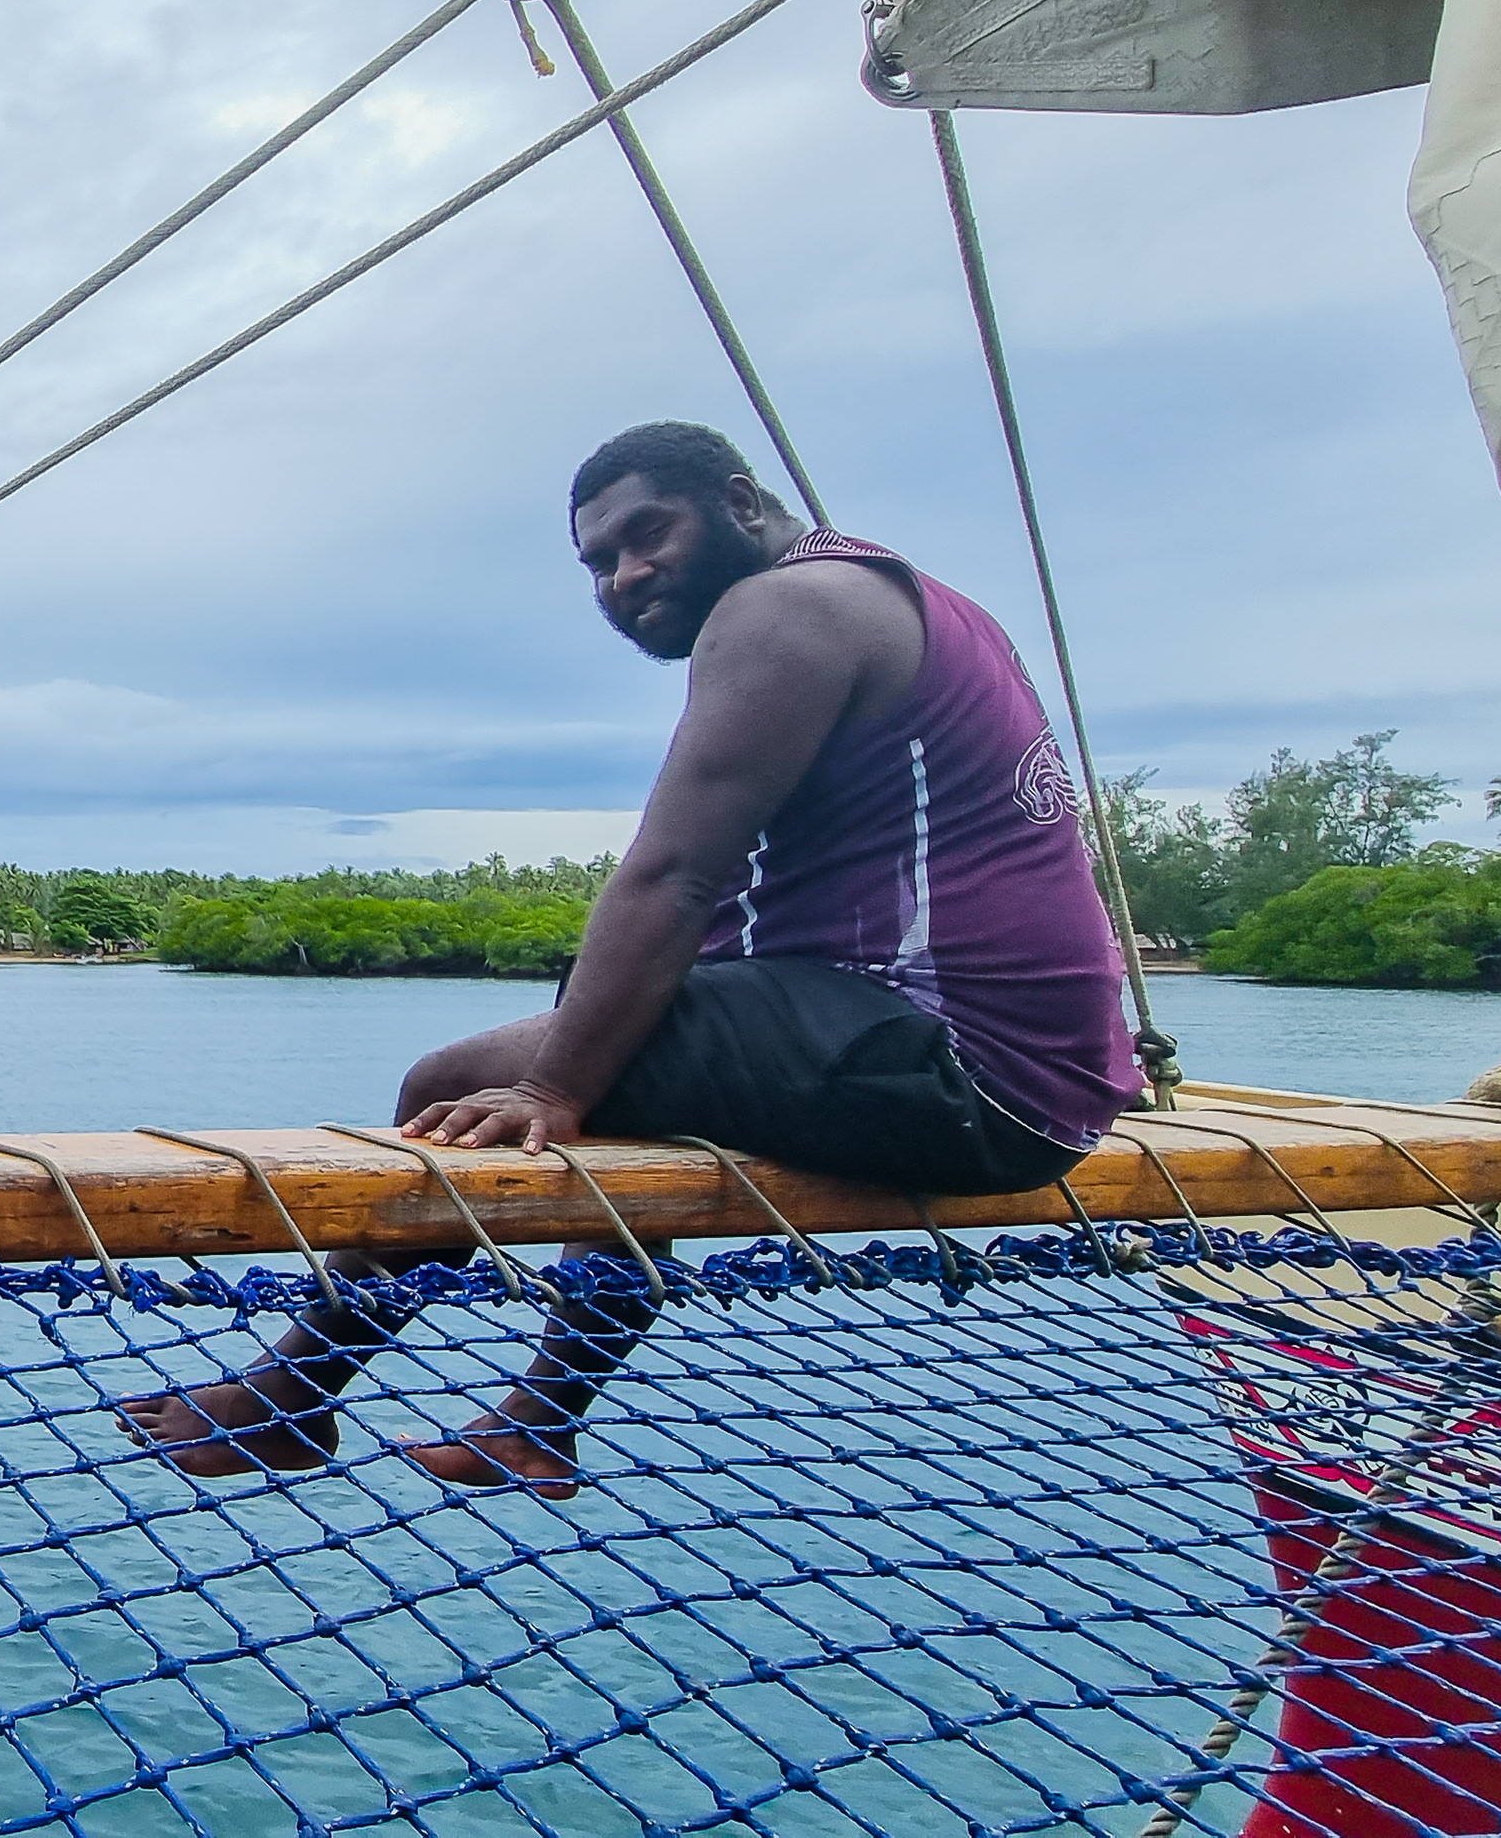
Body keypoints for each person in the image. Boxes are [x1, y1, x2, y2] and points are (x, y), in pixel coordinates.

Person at [124, 420, 1141, 1494]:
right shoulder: (896, 599)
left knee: (454, 1086)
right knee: (600, 1015)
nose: (625, 575)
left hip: (963, 1072)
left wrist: (555, 1087)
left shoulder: (788, 606)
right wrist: (578, 1054)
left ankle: (296, 1399)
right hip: (1019, 1076)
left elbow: (674, 876)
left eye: (647, 534)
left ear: (743, 506)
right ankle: (535, 1422)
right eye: (599, 562)